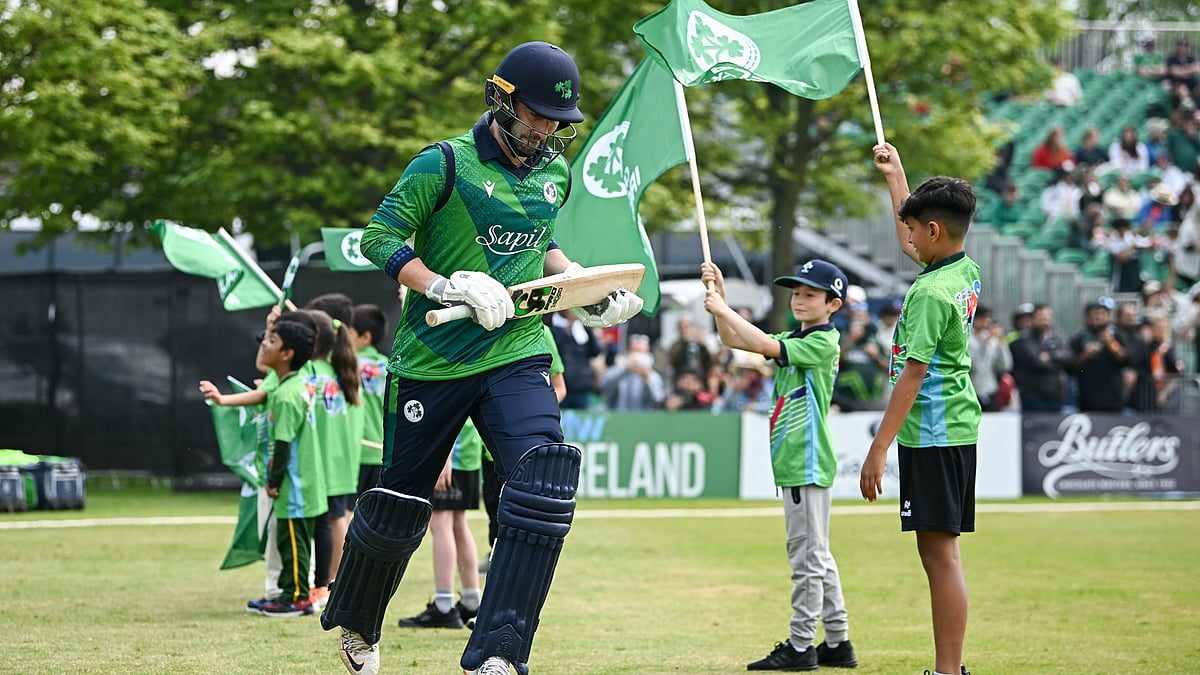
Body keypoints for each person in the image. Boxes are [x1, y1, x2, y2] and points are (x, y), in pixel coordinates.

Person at [320, 41, 643, 675]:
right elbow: (378, 237)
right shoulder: (443, 164)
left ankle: (498, 651)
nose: (548, 129)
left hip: (515, 350)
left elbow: (539, 246)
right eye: (538, 115)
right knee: (399, 503)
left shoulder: (555, 173)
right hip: (433, 357)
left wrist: (581, 287)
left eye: (559, 121)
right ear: (502, 98)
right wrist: (444, 284)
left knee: (545, 483)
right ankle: (359, 618)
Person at [701, 258, 857, 673]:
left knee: (806, 559)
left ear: (833, 304)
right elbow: (739, 341)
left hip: (805, 460)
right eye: (796, 292)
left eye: (810, 294)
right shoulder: (799, 335)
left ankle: (801, 645)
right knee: (818, 555)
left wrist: (723, 309)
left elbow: (765, 346)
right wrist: (722, 298)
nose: (799, 299)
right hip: (797, 462)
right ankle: (838, 642)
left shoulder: (822, 341)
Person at [862, 142, 980, 675]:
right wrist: (898, 178)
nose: (905, 239)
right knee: (942, 554)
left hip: (931, 432)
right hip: (955, 425)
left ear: (933, 231)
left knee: (939, 558)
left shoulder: (931, 295)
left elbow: (913, 374)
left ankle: (948, 671)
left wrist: (879, 448)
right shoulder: (962, 271)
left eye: (913, 229)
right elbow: (918, 241)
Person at [259, 313, 327, 617]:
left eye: (272, 341)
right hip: (300, 483)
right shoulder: (295, 384)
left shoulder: (286, 396)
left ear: (287, 354)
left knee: (295, 544)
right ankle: (288, 591)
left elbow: (284, 445)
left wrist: (273, 480)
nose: (265, 344)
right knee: (289, 542)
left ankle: (299, 598)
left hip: (295, 485)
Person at [301, 297, 364, 611]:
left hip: (322, 459)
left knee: (330, 521)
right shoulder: (345, 367)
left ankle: (328, 583)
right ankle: (337, 582)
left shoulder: (312, 371)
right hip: (343, 459)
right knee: (341, 517)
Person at [397, 419, 485, 630]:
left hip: (453, 455)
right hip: (466, 452)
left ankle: (444, 606)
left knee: (440, 523)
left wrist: (444, 459)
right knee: (456, 524)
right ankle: (471, 602)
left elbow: (455, 407)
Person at [351, 303, 389, 496]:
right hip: (383, 452)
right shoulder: (389, 366)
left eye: (349, 333)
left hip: (356, 451)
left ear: (365, 337)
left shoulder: (345, 364)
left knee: (347, 516)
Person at [1068, 300, 1129, 413]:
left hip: (1114, 400)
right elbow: (1072, 368)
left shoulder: (1117, 337)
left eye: (1102, 314)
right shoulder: (1078, 340)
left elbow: (1126, 360)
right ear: (1087, 317)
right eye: (1094, 314)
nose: (1098, 318)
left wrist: (1112, 345)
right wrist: (1085, 354)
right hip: (1088, 401)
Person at [1009, 304, 1070, 412]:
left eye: (1047, 317)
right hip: (1033, 397)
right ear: (1032, 319)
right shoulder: (1024, 340)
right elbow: (1037, 362)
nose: (1044, 321)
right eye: (1040, 317)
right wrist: (1056, 357)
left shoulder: (1054, 338)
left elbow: (1068, 358)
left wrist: (1050, 355)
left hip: (1055, 396)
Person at [598, 333, 666, 410]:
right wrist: (626, 371)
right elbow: (603, 389)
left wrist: (647, 381)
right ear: (628, 351)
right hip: (619, 418)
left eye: (640, 351)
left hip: (643, 420)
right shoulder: (616, 370)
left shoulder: (653, 375)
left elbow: (658, 399)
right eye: (634, 350)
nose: (636, 354)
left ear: (647, 353)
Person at [550, 309, 602, 409]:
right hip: (563, 385)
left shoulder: (583, 329)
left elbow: (596, 351)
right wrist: (568, 328)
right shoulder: (555, 327)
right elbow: (556, 349)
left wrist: (587, 328)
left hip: (581, 386)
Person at [968, 306, 1013, 412]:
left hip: (991, 391)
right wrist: (984, 344)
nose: (987, 321)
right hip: (972, 390)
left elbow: (1005, 366)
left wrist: (1002, 344)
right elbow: (972, 365)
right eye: (984, 318)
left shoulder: (993, 340)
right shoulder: (967, 338)